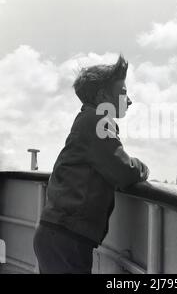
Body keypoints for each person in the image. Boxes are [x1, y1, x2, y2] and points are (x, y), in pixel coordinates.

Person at [33, 54, 149, 274]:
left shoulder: (89, 120)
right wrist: (143, 168)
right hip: (66, 238)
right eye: (123, 93)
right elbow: (123, 171)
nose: (129, 100)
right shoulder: (98, 121)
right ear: (103, 95)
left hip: (58, 234)